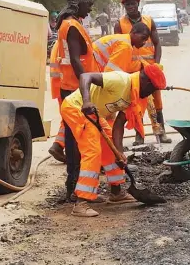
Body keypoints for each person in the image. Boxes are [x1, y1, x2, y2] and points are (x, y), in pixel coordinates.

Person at [60, 64, 167, 217]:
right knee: (93, 151)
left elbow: (118, 125)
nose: (151, 94)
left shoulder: (134, 96)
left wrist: (120, 152)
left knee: (112, 150)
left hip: (95, 115)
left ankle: (116, 193)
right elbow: (86, 76)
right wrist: (86, 101)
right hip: (76, 108)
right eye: (152, 89)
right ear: (146, 82)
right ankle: (81, 202)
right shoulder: (121, 80)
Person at [54, 0, 99, 200]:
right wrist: (87, 84)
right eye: (88, 4)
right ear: (79, 2)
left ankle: (73, 183)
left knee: (75, 136)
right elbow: (74, 59)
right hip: (74, 89)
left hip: (72, 87)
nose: (90, 9)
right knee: (75, 138)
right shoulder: (71, 26)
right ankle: (73, 184)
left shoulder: (72, 23)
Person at [114, 0, 171, 144]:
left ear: (138, 4)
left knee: (157, 101)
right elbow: (117, 48)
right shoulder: (119, 24)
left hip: (150, 69)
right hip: (132, 71)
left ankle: (162, 133)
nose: (130, 6)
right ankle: (140, 135)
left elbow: (157, 44)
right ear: (124, 5)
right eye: (127, 4)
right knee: (136, 102)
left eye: (133, 3)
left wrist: (157, 64)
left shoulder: (148, 20)